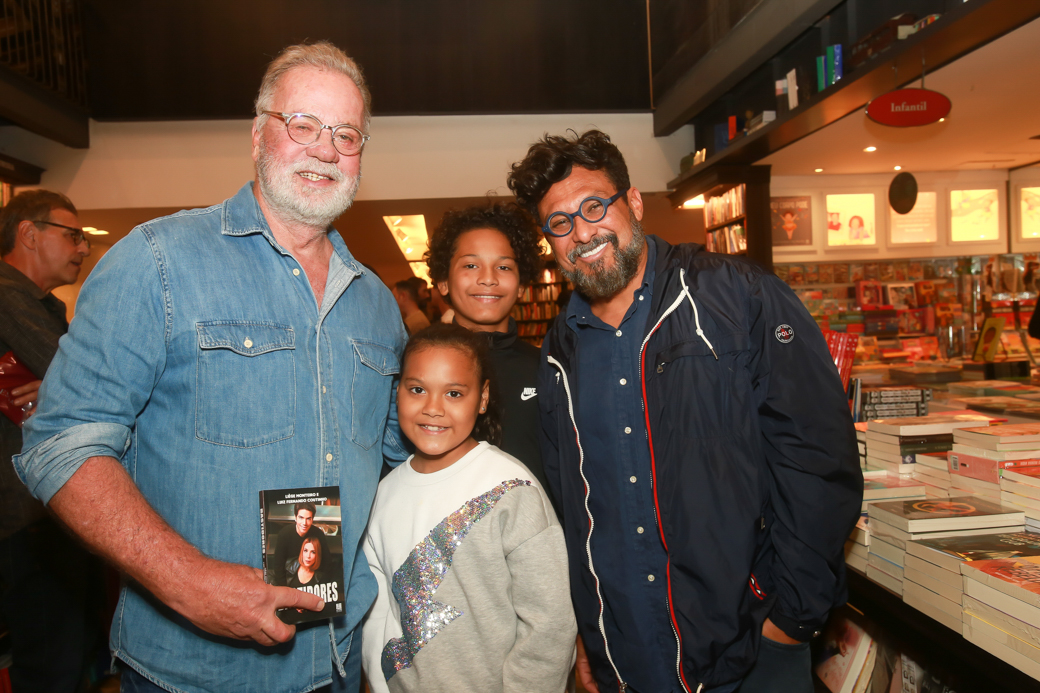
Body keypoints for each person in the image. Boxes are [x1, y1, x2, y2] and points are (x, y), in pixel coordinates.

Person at [14, 42, 408, 693]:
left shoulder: (377, 307)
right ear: (258, 135)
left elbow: (393, 460)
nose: (325, 149)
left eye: (346, 134)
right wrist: (188, 580)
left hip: (337, 662)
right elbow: (61, 441)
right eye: (303, 124)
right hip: (194, 673)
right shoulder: (156, 262)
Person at [506, 130, 861, 693]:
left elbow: (818, 459)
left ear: (636, 202)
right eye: (560, 222)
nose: (582, 232)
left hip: (750, 651)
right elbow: (570, 506)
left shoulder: (738, 297)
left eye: (594, 206)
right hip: (626, 658)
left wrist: (791, 620)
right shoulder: (559, 352)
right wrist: (586, 635)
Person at [361, 324, 575, 693]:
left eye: (454, 393)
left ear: (482, 398)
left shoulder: (512, 488)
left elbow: (549, 625)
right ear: (397, 393)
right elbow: (379, 614)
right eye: (417, 389)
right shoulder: (383, 494)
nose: (433, 408)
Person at [0, 189, 99, 692]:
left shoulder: (42, 305)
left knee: (65, 654)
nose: (83, 247)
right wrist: (65, 384)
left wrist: (56, 386)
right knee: (50, 663)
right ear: (29, 233)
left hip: (43, 510)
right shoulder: (7, 293)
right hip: (24, 513)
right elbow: (91, 380)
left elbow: (72, 379)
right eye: (73, 235)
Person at [424, 203, 549, 492]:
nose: (488, 278)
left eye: (504, 266)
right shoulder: (420, 367)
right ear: (443, 281)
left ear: (521, 285)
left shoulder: (546, 368)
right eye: (470, 265)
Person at [272, 502, 331, 586]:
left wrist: (320, 587)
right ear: (295, 517)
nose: (304, 523)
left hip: (311, 578)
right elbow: (278, 566)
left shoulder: (318, 534)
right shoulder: (284, 534)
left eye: (308, 518)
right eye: (301, 518)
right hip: (290, 578)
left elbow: (327, 563)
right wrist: (286, 590)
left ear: (312, 519)